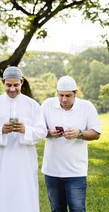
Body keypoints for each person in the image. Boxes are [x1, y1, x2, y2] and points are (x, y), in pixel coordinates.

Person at [0, 66, 47, 212]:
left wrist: (25, 130)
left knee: (25, 194)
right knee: (1, 193)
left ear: (22, 82)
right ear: (2, 82)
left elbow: (42, 131)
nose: (12, 89)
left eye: (16, 85)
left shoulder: (33, 105)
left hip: (25, 161)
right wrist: (1, 131)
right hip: (1, 161)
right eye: (8, 85)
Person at [41, 75, 101, 212]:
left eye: (68, 95)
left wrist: (79, 133)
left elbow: (96, 133)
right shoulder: (47, 105)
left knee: (78, 209)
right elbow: (38, 131)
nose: (64, 99)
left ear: (76, 92)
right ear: (56, 92)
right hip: (52, 170)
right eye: (60, 95)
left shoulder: (87, 106)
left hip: (76, 171)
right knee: (57, 209)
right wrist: (50, 133)